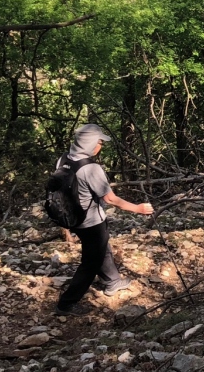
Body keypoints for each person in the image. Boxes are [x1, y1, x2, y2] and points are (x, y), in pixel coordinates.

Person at [55, 124, 153, 316]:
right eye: (100, 142)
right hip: (91, 222)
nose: (101, 146)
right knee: (90, 262)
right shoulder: (90, 168)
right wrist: (138, 209)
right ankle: (66, 304)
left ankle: (112, 281)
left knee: (100, 248)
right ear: (90, 143)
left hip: (72, 218)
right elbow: (110, 199)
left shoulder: (63, 159)